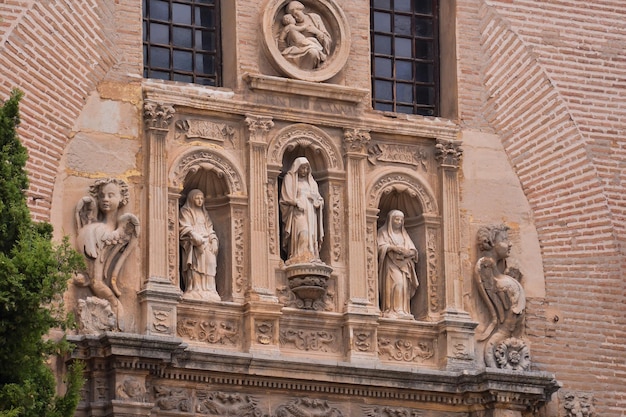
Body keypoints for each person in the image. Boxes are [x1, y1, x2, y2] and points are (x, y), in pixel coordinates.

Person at [75, 178, 140, 332]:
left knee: (96, 282)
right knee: (95, 282)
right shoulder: (94, 227)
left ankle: (116, 309)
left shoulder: (116, 229)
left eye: (111, 195)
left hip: (98, 282)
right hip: (92, 274)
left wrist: (113, 299)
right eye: (102, 195)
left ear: (122, 199)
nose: (105, 199)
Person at [474, 224, 526, 367]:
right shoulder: (485, 267)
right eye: (504, 240)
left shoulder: (499, 274)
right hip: (506, 329)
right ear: (491, 243)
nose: (510, 244)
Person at [280, 157, 324, 264]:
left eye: (306, 169)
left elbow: (319, 199)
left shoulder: (312, 183)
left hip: (311, 212)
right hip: (298, 212)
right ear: (297, 168)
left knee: (311, 235)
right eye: (302, 168)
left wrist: (317, 202)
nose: (304, 171)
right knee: (302, 232)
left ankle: (311, 255)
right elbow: (285, 198)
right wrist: (295, 202)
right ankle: (297, 255)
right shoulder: (289, 179)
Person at [179, 189, 220, 301]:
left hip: (207, 241)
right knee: (196, 265)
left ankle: (209, 289)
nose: (200, 200)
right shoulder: (186, 211)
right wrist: (194, 235)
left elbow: (210, 228)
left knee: (210, 263)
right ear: (192, 199)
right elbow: (184, 226)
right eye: (197, 198)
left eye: (202, 198)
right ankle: (195, 288)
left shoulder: (204, 213)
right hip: (195, 243)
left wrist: (213, 239)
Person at [377, 210, 418, 319]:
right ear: (391, 220)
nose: (399, 222)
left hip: (404, 265)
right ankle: (390, 309)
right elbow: (379, 246)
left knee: (403, 286)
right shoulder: (383, 232)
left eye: (401, 220)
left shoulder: (404, 235)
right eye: (397, 219)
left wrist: (409, 252)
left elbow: (413, 249)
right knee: (396, 284)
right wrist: (392, 248)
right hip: (390, 265)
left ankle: (402, 310)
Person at [280, 1, 332, 70]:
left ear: (301, 10)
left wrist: (317, 32)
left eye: (296, 13)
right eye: (292, 16)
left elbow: (328, 41)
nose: (295, 17)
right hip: (298, 49)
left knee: (313, 52)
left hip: (311, 48)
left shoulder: (314, 18)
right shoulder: (292, 26)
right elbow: (282, 40)